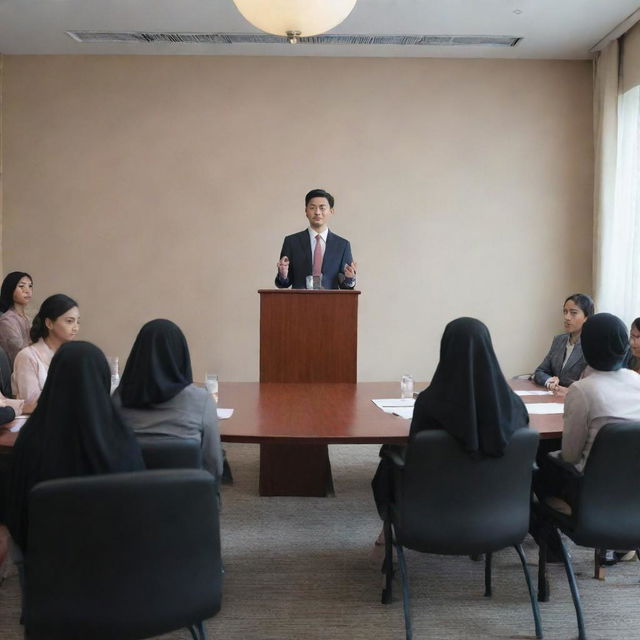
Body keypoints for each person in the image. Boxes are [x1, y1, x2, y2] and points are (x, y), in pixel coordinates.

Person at [372, 317, 529, 520]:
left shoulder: (428, 404)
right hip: (496, 508)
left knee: (389, 458)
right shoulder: (514, 405)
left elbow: (414, 454)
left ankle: (388, 531)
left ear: (446, 350)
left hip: (432, 508)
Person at [6, 341, 145, 552]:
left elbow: (16, 517)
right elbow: (137, 511)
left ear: (54, 378)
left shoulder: (30, 438)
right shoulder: (121, 438)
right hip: (113, 563)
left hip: (46, 565)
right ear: (103, 379)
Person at [113, 319, 223, 482]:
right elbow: (214, 463)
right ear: (181, 355)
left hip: (130, 499)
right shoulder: (201, 401)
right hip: (188, 500)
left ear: (138, 354)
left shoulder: (118, 399)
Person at [275, 188, 357, 290]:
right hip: (298, 302)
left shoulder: (342, 245)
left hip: (332, 303)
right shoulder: (291, 242)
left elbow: (346, 287)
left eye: (322, 208)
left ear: (331, 211)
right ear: (306, 211)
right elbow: (283, 283)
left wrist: (349, 279)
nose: (317, 212)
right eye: (312, 208)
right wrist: (283, 274)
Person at [12, 294, 79, 404]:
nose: (76, 328)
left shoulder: (72, 355)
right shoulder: (27, 356)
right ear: (49, 323)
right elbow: (31, 402)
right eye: (69, 321)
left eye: (78, 322)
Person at [533, 293, 594, 395]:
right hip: (553, 398)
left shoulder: (592, 345)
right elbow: (540, 371)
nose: (567, 317)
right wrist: (549, 381)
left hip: (576, 401)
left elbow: (591, 385)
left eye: (573, 313)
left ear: (586, 317)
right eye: (565, 312)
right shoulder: (559, 340)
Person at [0, 272, 33, 366]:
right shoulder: (6, 321)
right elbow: (19, 354)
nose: (27, 290)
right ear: (10, 289)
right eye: (21, 286)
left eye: (30, 286)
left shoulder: (29, 319)